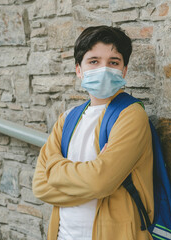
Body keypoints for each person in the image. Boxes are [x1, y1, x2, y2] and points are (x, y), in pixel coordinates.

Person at [32, 26, 154, 240]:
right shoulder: (67, 119)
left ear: (124, 70)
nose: (104, 69)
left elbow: (100, 182)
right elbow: (40, 186)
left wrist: (55, 170)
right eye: (94, 61)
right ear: (79, 69)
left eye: (113, 62)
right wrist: (92, 177)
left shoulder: (131, 115)